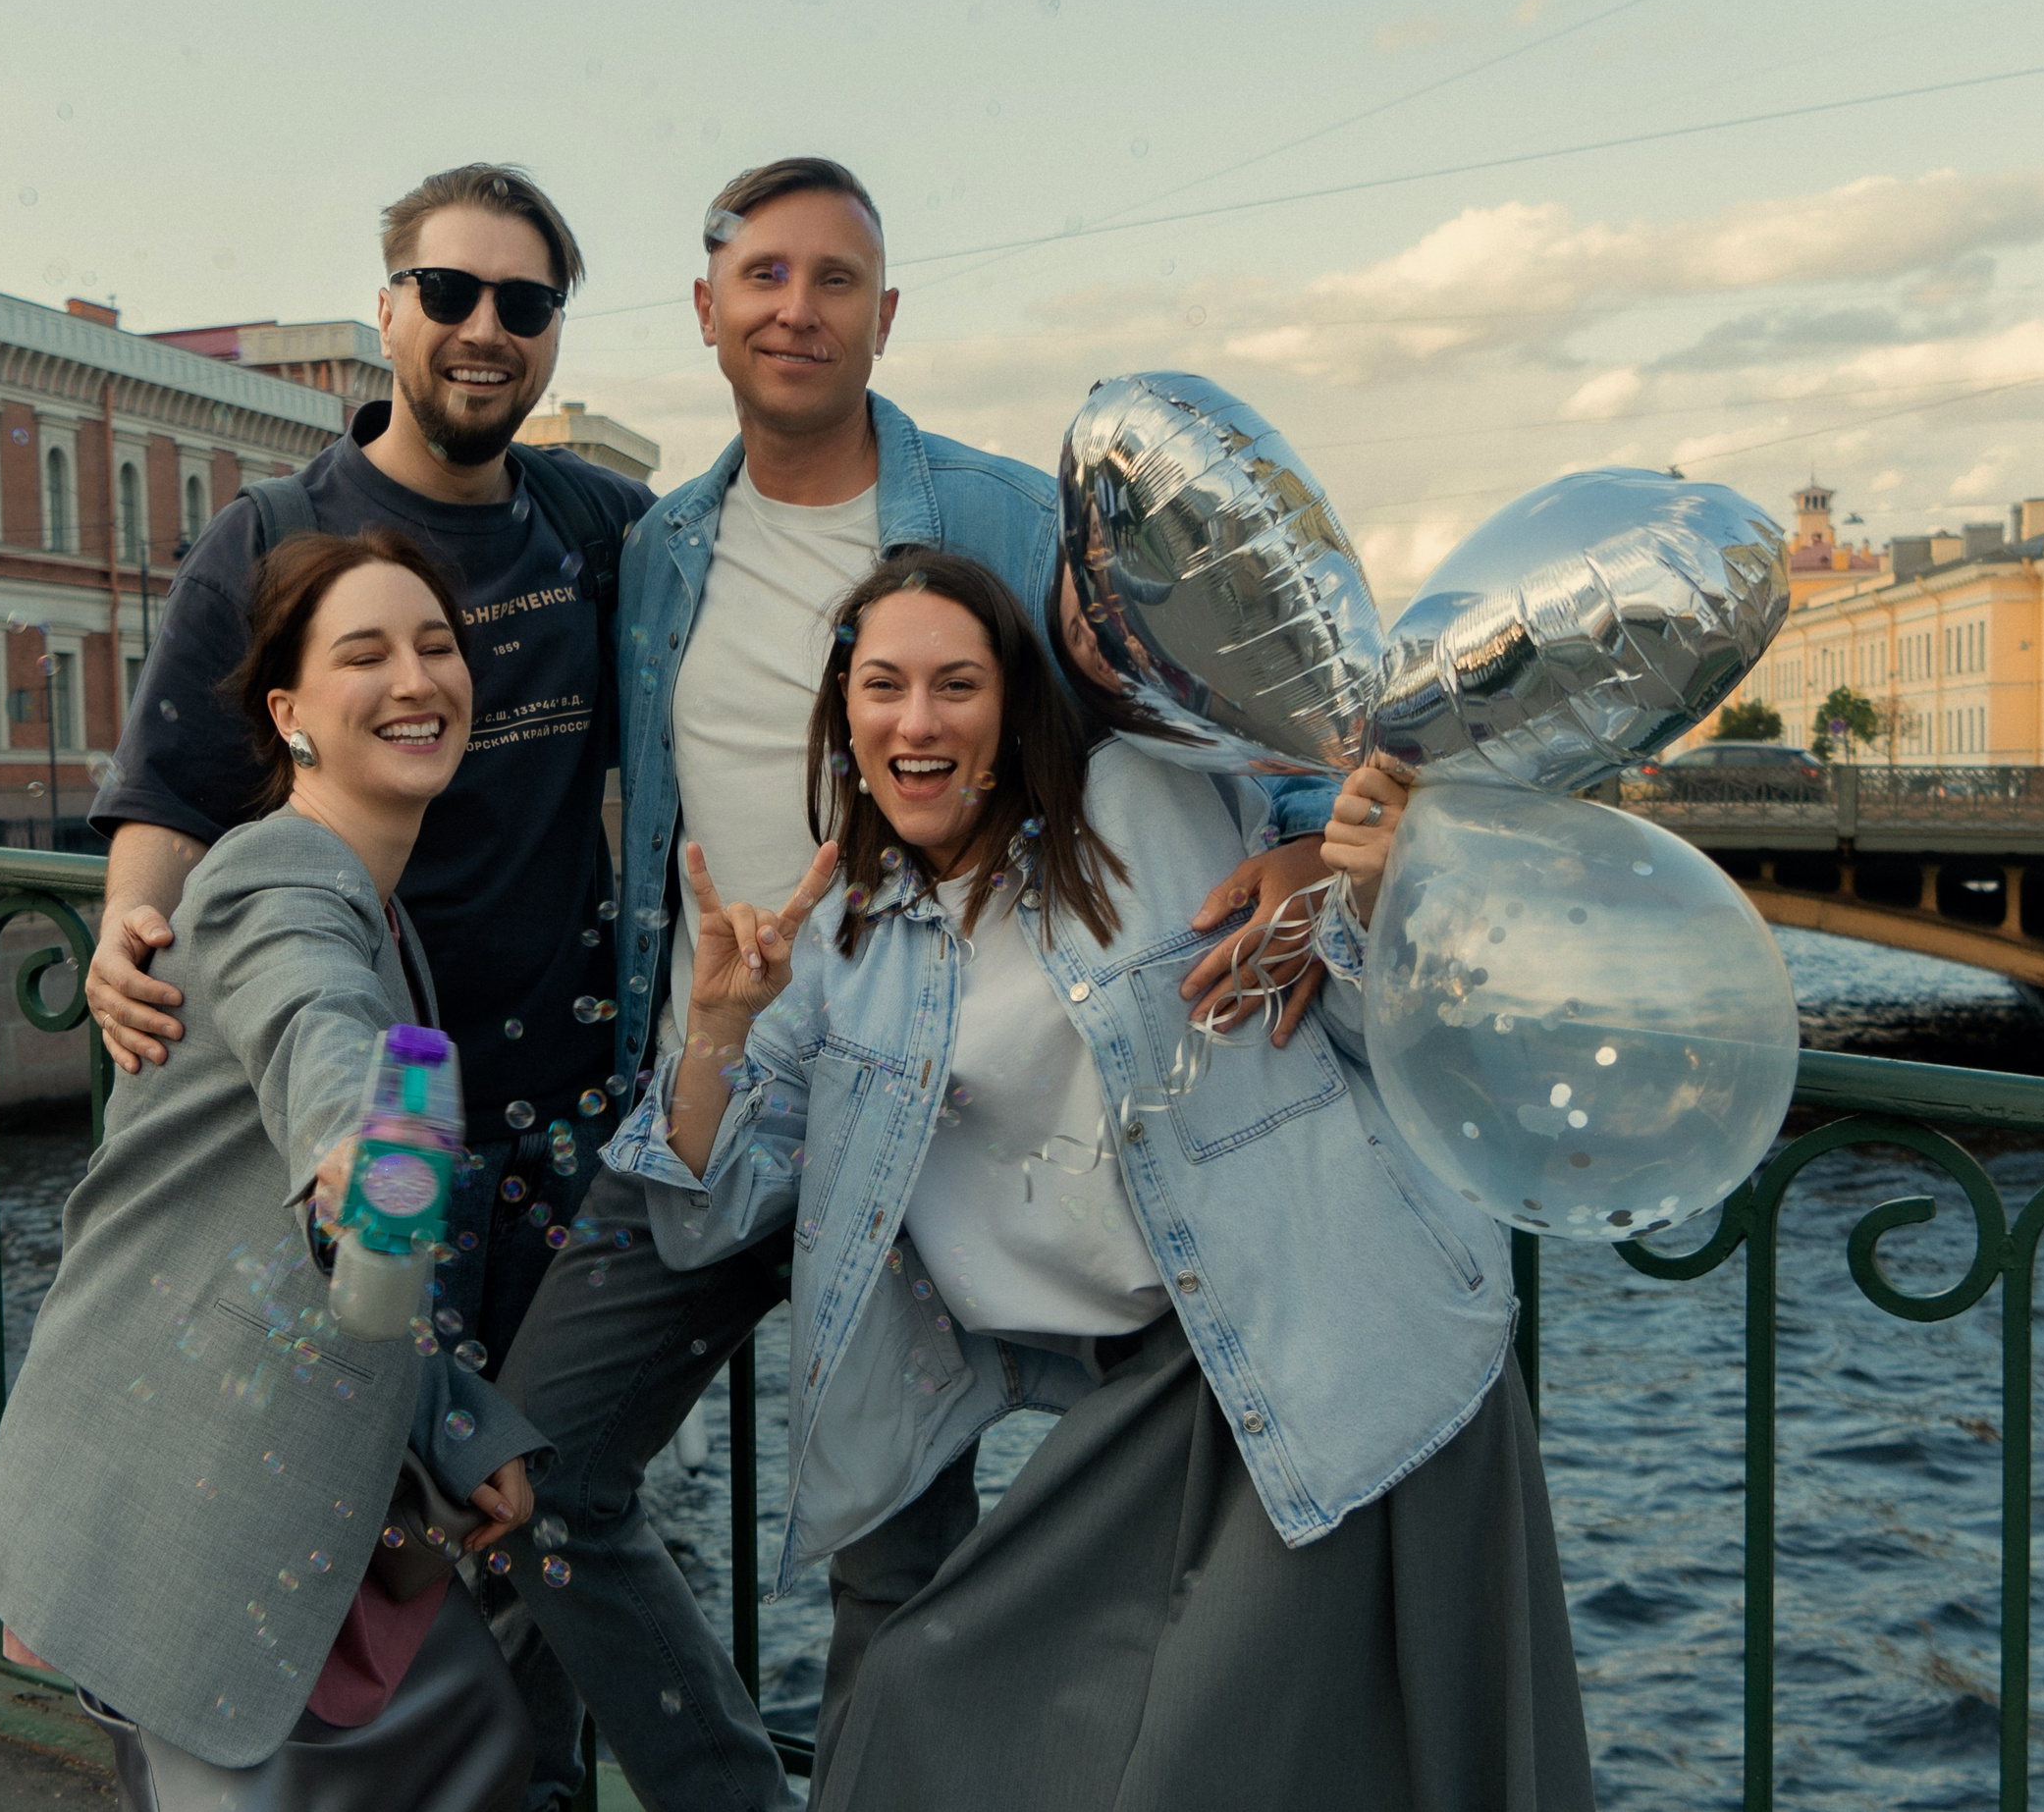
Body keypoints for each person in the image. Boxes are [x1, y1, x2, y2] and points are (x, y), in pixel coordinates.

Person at [493, 157, 1341, 1811]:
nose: (795, 309)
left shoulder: (1008, 517)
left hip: (935, 1095)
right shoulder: (660, 548)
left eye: (834, 280)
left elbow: (1211, 684)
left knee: (897, 1564)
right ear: (705, 311)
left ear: (886, 315)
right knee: (539, 1466)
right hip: (722, 1081)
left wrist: (1307, 832)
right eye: (763, 276)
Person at [608, 552, 1595, 1810]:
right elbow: (705, 1213)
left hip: (1336, 1334)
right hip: (1154, 1405)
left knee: (1222, 1769)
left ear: (1014, 706)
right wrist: (715, 1032)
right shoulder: (839, 955)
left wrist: (1344, 875)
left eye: (957, 684)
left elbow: (1368, 1012)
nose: (918, 720)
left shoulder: (1149, 801)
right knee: (920, 1691)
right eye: (883, 686)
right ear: (843, 718)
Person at [83, 162, 643, 1807]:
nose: (485, 328)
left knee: (533, 1510)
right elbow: (176, 789)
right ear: (388, 308)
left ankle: (517, 1780)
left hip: (559, 1126)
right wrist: (130, 931)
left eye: (525, 302)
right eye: (450, 292)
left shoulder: (597, 529)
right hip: (367, 1118)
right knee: (340, 1514)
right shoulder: (270, 535)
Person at [0, 529, 550, 1812]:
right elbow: (314, 1021)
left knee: (474, 1743)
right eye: (365, 653)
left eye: (437, 645)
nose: (416, 678)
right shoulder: (275, 873)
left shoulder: (372, 898)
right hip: (195, 1500)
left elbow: (311, 1262)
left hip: (264, 1482)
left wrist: (453, 1420)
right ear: (289, 713)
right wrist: (358, 1144)